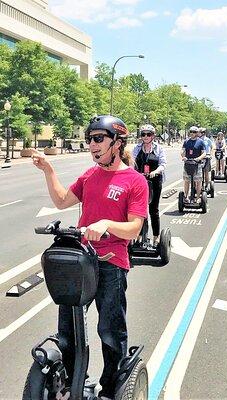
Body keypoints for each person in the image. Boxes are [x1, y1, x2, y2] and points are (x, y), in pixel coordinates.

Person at [32, 115, 149, 400]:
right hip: (81, 262)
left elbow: (135, 227)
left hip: (111, 263)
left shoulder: (134, 181)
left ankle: (110, 388)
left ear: (118, 143)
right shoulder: (90, 175)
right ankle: (72, 385)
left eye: (99, 139)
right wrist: (48, 170)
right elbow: (61, 201)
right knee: (68, 331)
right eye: (90, 140)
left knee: (110, 331)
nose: (92, 145)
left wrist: (107, 224)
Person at [131, 124, 166, 246]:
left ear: (153, 136)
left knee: (153, 210)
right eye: (143, 134)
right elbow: (132, 161)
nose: (145, 137)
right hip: (140, 182)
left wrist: (155, 172)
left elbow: (162, 164)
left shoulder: (159, 149)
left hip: (155, 181)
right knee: (139, 210)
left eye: (148, 134)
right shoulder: (137, 148)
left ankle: (156, 237)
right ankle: (139, 236)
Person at [181, 126, 206, 202]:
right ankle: (186, 197)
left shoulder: (200, 142)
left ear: (197, 133)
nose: (192, 133)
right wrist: (183, 156)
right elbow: (183, 150)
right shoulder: (186, 141)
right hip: (188, 163)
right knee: (186, 180)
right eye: (191, 131)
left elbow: (204, 153)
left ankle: (198, 198)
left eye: (194, 132)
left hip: (197, 164)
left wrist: (199, 158)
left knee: (198, 181)